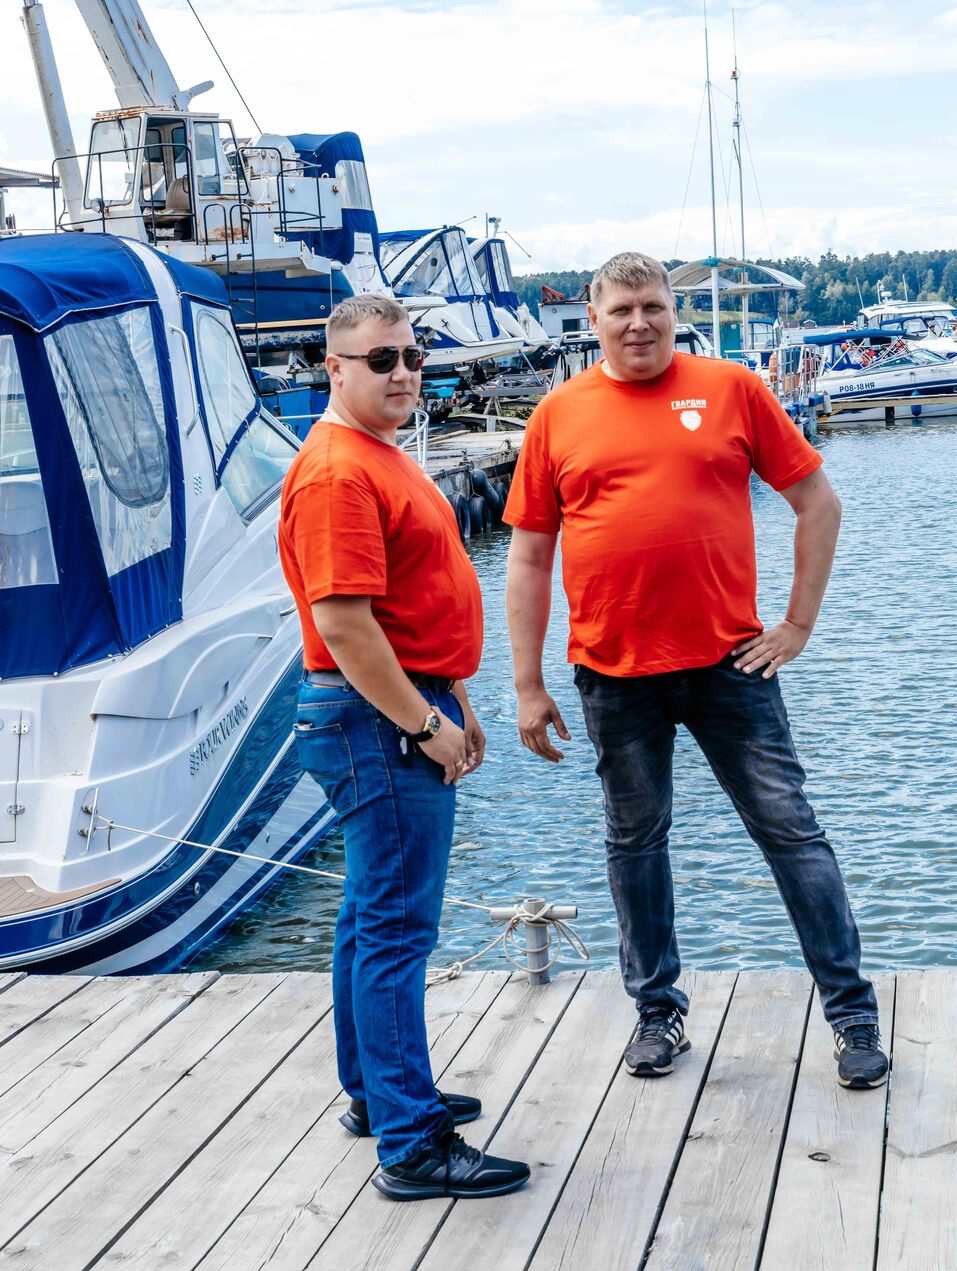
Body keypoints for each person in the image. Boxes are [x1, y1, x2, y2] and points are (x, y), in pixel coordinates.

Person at [503, 252, 888, 1091]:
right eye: (619, 310)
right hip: (612, 671)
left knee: (791, 832)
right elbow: (529, 556)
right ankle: (656, 1011)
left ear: (672, 312)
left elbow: (818, 503)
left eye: (651, 307)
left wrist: (796, 624)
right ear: (593, 318)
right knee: (635, 843)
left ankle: (851, 1013)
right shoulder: (557, 415)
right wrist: (526, 684)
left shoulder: (731, 389)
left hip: (730, 664)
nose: (637, 323)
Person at [279, 294, 530, 1199]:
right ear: (334, 369)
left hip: (404, 702)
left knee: (364, 915)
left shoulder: (375, 456)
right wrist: (424, 726)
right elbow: (345, 625)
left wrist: (453, 696)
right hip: (375, 718)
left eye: (412, 357)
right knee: (394, 928)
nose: (402, 373)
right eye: (380, 359)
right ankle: (411, 1143)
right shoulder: (339, 473)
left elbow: (406, 603)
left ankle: (376, 1092)